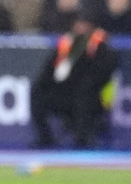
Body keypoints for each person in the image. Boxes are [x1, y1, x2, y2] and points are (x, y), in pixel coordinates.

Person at [31, 12, 118, 149]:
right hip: (64, 92)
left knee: (83, 97)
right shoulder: (66, 43)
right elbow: (49, 70)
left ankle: (83, 139)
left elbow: (104, 70)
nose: (81, 27)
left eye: (84, 24)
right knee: (37, 93)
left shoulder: (99, 44)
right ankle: (45, 137)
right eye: (78, 24)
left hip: (91, 95)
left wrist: (84, 85)